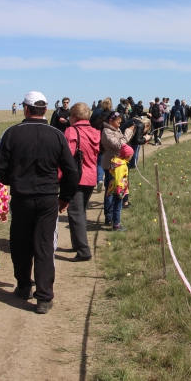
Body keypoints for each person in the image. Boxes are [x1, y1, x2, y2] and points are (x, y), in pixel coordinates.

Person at [0, 91, 77, 314]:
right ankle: (44, 297)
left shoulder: (11, 134)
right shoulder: (56, 135)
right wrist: (65, 197)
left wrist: (13, 181)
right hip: (48, 198)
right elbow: (71, 170)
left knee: (20, 244)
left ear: (26, 109)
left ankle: (23, 286)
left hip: (22, 198)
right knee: (44, 245)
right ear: (46, 110)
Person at [63, 102, 100, 262]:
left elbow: (66, 156)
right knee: (81, 211)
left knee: (75, 212)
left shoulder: (71, 131)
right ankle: (77, 244)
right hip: (91, 176)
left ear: (74, 117)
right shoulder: (95, 132)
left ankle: (84, 250)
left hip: (77, 177)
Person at [100, 111, 130, 226]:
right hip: (110, 166)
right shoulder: (107, 131)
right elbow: (119, 145)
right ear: (111, 121)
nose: (119, 125)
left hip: (118, 165)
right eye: (118, 122)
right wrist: (128, 132)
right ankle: (109, 216)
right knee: (110, 191)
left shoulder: (116, 130)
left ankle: (112, 216)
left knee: (114, 189)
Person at [107, 144, 133, 232]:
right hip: (118, 188)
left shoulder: (118, 162)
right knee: (118, 207)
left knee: (116, 206)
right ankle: (116, 225)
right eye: (131, 155)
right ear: (127, 156)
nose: (132, 157)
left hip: (116, 187)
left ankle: (115, 222)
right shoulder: (121, 165)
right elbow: (118, 178)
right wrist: (119, 190)